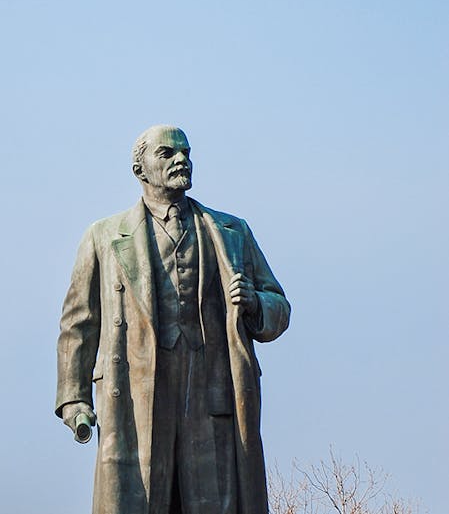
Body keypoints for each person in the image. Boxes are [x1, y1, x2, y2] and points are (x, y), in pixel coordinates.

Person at [55, 125, 290, 514]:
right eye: (167, 154)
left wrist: (254, 302)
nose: (181, 160)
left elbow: (279, 307)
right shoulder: (103, 237)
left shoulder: (232, 232)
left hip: (213, 399)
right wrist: (73, 397)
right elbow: (79, 322)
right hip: (135, 397)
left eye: (186, 152)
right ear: (140, 169)